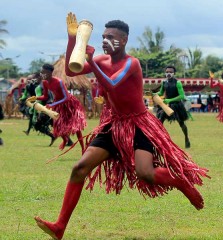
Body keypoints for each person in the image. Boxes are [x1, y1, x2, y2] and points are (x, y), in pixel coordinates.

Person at [34, 13, 208, 240]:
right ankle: (59, 227)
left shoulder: (132, 63)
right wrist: (72, 39)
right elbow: (70, 70)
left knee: (145, 173)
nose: (105, 41)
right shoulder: (101, 61)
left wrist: (92, 63)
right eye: (103, 36)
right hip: (113, 125)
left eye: (111, 37)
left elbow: (113, 85)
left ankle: (180, 182)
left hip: (139, 124)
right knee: (79, 169)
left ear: (123, 40)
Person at [31, 63, 86, 153]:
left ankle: (83, 148)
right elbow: (45, 96)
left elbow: (66, 97)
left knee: (76, 127)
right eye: (41, 72)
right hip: (58, 104)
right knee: (57, 125)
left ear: (49, 73)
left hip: (69, 104)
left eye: (43, 72)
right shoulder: (45, 82)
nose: (41, 74)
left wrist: (53, 104)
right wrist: (36, 98)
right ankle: (65, 140)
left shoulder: (58, 82)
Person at [154, 66, 191, 148]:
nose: (168, 74)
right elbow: (160, 92)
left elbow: (181, 96)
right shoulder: (164, 83)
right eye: (167, 72)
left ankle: (186, 138)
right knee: (160, 121)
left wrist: (170, 100)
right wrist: (154, 94)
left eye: (170, 72)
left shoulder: (178, 83)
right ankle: (159, 141)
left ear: (174, 73)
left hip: (177, 106)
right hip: (167, 105)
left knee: (181, 123)